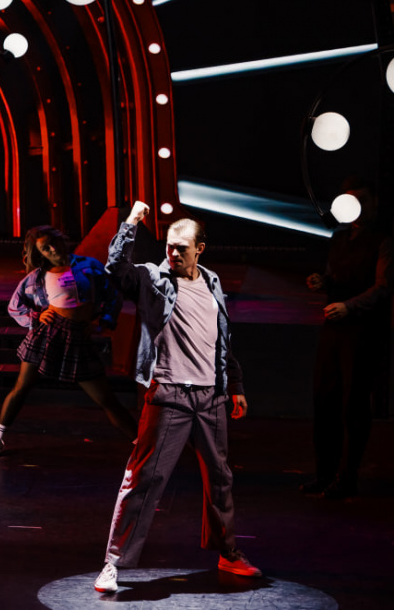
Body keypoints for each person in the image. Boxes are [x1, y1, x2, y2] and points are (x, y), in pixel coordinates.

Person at [94, 202, 261, 593]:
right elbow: (115, 268)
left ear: (199, 249)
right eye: (169, 246)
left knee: (220, 479)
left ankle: (227, 552)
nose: (173, 253)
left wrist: (235, 386)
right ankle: (113, 563)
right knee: (144, 479)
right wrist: (131, 223)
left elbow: (221, 339)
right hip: (169, 394)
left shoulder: (212, 281)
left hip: (211, 398)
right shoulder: (153, 278)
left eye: (181, 248)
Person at [0, 225, 137, 457]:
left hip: (78, 336)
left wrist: (103, 321)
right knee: (21, 388)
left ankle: (141, 442)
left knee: (105, 397)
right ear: (40, 253)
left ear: (62, 240)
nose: (53, 250)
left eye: (54, 243)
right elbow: (15, 306)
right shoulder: (37, 276)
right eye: (46, 248)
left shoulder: (89, 265)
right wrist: (35, 317)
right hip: (48, 334)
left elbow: (113, 295)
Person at [302, 177, 391, 499]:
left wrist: (349, 306)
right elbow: (334, 276)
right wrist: (322, 282)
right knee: (324, 399)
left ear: (375, 203)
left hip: (363, 332)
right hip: (334, 329)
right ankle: (325, 474)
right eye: (352, 200)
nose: (358, 207)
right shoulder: (339, 238)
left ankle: (347, 477)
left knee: (354, 404)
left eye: (363, 200)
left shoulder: (383, 240)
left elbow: (383, 287)